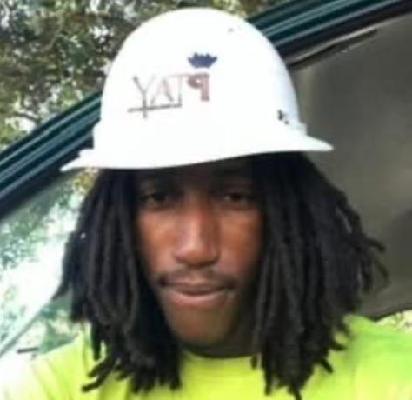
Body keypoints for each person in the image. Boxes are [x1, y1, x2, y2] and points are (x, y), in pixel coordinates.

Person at [2, 8, 412, 400]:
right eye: (159, 197)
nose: (196, 248)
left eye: (235, 197)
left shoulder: (394, 378)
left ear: (288, 211)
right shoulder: (58, 388)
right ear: (119, 218)